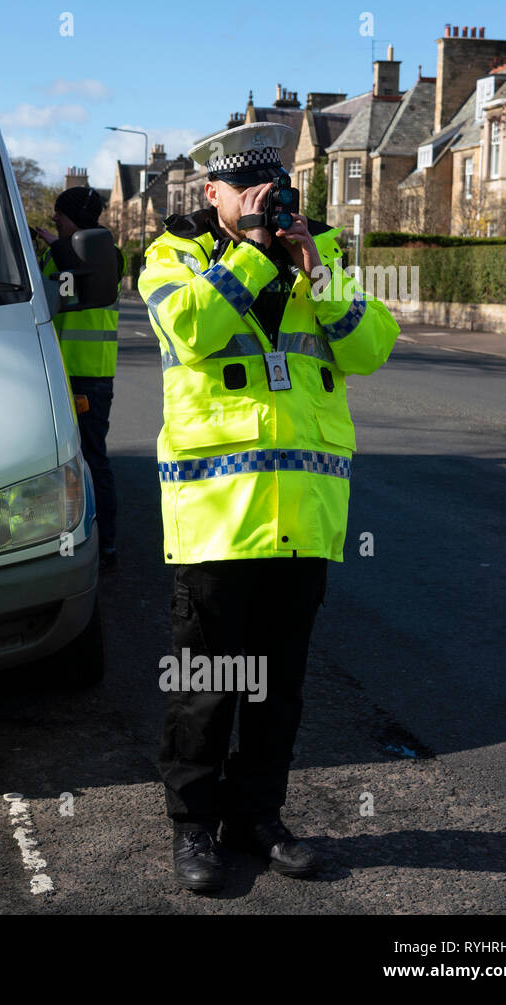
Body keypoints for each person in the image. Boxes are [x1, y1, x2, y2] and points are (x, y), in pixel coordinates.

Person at [138, 122, 398, 892]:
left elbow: (371, 347)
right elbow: (189, 329)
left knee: (277, 688)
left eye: (276, 188)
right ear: (210, 190)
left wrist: (315, 270)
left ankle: (259, 816)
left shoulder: (319, 255)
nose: (265, 202)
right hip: (218, 519)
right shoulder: (173, 255)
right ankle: (194, 829)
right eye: (244, 191)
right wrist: (252, 250)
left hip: (304, 518)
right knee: (208, 685)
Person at [37, 187, 122, 569]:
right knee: (76, 463)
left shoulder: (81, 257)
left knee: (77, 463)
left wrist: (56, 249)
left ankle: (88, 544)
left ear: (73, 218)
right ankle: (91, 543)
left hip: (76, 376)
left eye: (59, 213)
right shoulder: (94, 255)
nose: (54, 218)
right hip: (77, 373)